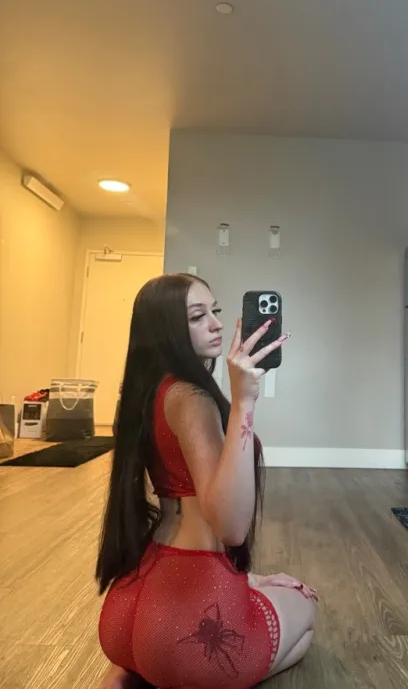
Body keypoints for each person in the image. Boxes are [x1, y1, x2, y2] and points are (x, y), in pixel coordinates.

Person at [96, 273, 317, 689]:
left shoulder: (146, 392)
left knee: (160, 656)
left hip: (129, 605)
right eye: (198, 317)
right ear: (166, 330)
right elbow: (230, 528)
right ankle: (176, 673)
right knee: (306, 613)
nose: (217, 324)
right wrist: (244, 401)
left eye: (215, 311)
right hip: (189, 618)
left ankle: (136, 672)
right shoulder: (191, 399)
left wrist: (252, 580)